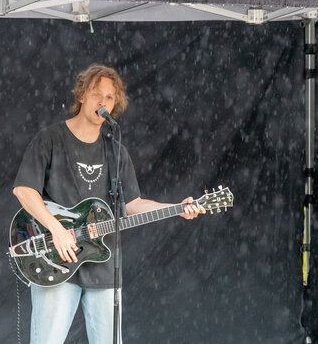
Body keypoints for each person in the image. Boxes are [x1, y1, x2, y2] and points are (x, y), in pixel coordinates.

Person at [12, 64, 204, 344]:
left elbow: (133, 205)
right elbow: (24, 190)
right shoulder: (50, 139)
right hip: (56, 260)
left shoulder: (116, 152)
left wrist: (176, 208)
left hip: (104, 267)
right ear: (82, 96)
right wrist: (57, 230)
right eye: (96, 93)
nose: (103, 102)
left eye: (110, 97)